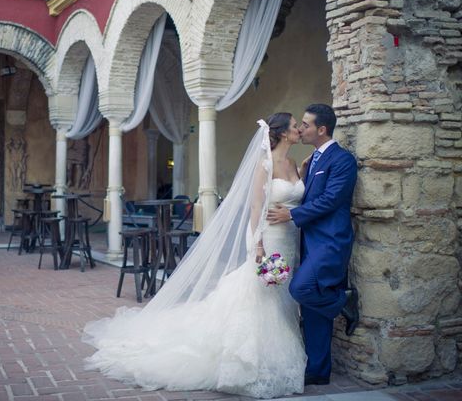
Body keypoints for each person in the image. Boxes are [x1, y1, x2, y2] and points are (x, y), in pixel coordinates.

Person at [83, 113, 307, 399]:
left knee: (283, 296)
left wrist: (302, 170)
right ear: (283, 133)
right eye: (294, 127)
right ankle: (252, 361)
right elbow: (255, 209)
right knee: (264, 296)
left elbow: (296, 196)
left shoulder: (293, 164)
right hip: (270, 240)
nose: (298, 130)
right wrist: (259, 247)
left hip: (291, 239)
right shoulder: (264, 164)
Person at [267, 104, 358, 386]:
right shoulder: (312, 160)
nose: (300, 129)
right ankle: (318, 370)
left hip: (330, 241)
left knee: (300, 289)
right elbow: (307, 194)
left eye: (305, 125)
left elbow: (331, 200)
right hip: (305, 242)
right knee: (311, 309)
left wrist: (292, 214)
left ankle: (344, 301)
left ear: (321, 129)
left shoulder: (342, 160)